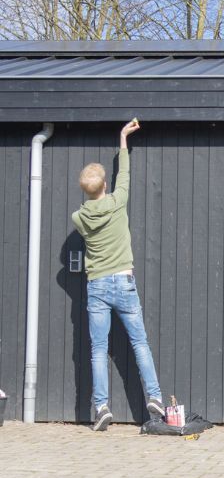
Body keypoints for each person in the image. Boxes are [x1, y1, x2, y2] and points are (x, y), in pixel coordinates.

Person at [72, 120, 165, 431]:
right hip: (123, 282)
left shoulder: (79, 217)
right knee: (140, 342)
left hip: (97, 285)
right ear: (105, 186)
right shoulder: (117, 202)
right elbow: (124, 174)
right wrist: (123, 139)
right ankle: (155, 399)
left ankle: (101, 408)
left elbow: (92, 207)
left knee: (98, 349)